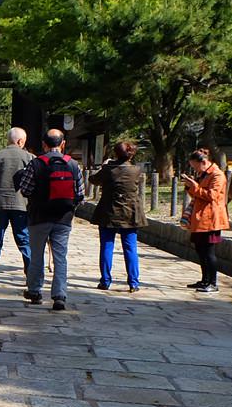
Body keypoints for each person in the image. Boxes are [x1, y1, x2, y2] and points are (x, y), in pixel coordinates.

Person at [14, 129, 85, 311]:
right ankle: (59, 295)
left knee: (36, 255)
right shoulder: (73, 165)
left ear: (44, 145)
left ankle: (35, 291)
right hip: (63, 218)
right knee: (60, 257)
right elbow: (80, 194)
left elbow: (25, 190)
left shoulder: (36, 163)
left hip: (39, 216)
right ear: (63, 144)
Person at [89, 140, 146, 292]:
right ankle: (133, 282)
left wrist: (104, 166)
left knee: (107, 246)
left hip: (109, 211)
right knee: (130, 248)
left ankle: (105, 280)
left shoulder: (109, 169)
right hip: (130, 212)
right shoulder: (136, 170)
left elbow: (93, 179)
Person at [0, 127, 34, 283]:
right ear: (20, 141)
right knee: (24, 241)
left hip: (0, 204)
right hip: (21, 205)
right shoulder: (30, 157)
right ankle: (31, 272)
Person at [181, 148, 229, 293]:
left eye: (195, 166)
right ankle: (204, 279)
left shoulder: (217, 175)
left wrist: (194, 187)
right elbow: (196, 194)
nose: (195, 169)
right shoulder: (202, 174)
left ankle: (213, 283)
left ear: (203, 162)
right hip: (199, 216)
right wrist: (190, 186)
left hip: (211, 218)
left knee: (209, 251)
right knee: (200, 249)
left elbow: (211, 196)